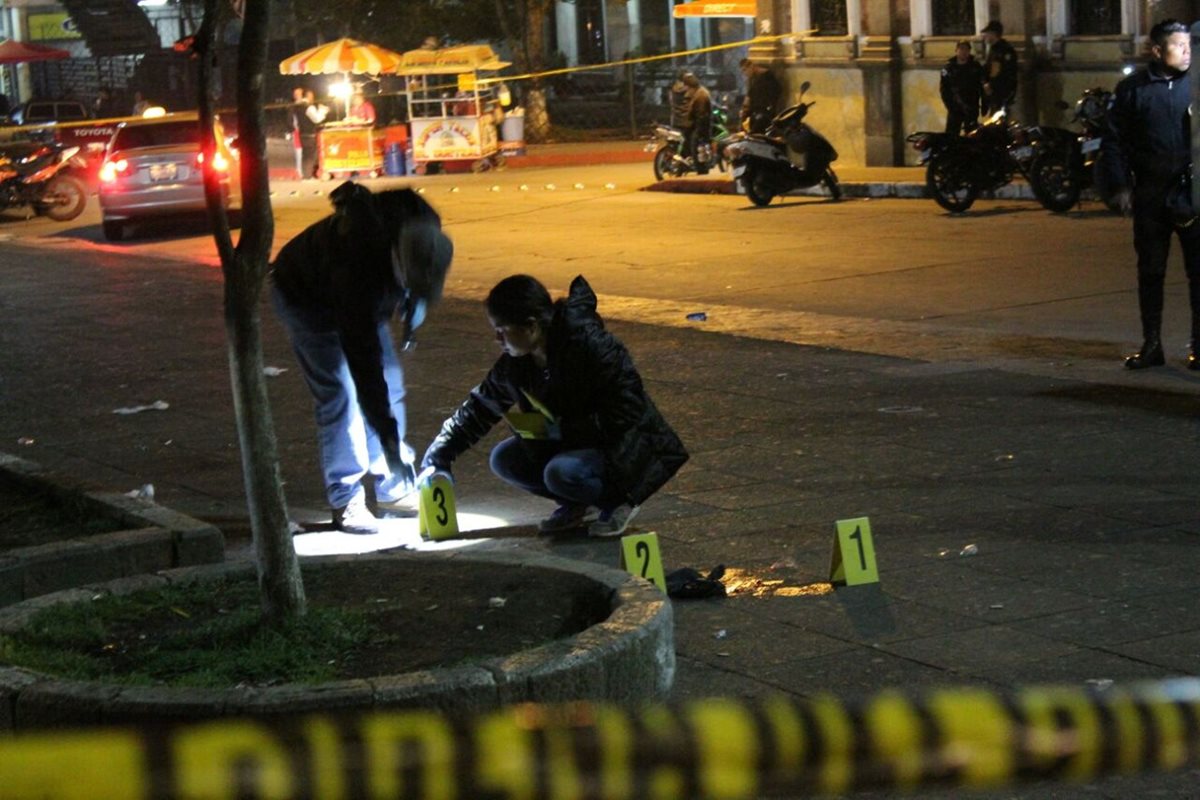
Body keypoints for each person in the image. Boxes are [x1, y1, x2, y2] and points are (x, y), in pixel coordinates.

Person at [420, 274, 689, 538]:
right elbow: (481, 405)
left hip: (625, 445)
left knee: (561, 473)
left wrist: (562, 431)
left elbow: (628, 410)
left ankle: (618, 501)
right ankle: (578, 505)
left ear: (531, 326)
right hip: (572, 439)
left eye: (502, 331)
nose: (498, 340)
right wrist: (440, 455)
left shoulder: (590, 345)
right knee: (504, 459)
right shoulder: (518, 361)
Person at [270, 182, 454, 533]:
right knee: (341, 396)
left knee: (394, 383)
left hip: (360, 291)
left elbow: (420, 273)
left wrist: (415, 305)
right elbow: (365, 370)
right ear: (396, 259)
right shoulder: (358, 273)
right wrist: (388, 440)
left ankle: (393, 487)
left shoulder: (424, 223)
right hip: (306, 296)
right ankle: (346, 497)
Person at [1101, 18, 1200, 371]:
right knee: (1151, 271)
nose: (1188, 51)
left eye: (1190, 44)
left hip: (1193, 194)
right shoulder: (1133, 90)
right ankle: (1152, 345)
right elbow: (1113, 142)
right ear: (1158, 50)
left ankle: (1198, 348)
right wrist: (1120, 186)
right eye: (1179, 45)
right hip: (1152, 196)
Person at [940, 40, 983, 135]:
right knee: (951, 136)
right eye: (961, 49)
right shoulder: (948, 68)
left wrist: (984, 105)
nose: (964, 52)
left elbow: (981, 86)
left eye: (966, 49)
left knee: (972, 135)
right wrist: (951, 106)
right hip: (955, 108)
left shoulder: (975, 67)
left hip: (971, 107)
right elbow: (944, 90)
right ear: (956, 50)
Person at [981, 20, 1017, 117]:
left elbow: (1007, 73)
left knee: (998, 122)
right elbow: (987, 69)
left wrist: (991, 85)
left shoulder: (1005, 50)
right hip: (993, 94)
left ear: (993, 34)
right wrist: (985, 82)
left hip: (1001, 93)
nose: (985, 37)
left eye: (987, 34)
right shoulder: (993, 49)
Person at [680, 72, 713, 175]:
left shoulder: (701, 95)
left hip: (701, 127)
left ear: (689, 85)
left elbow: (701, 116)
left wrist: (698, 131)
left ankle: (701, 170)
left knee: (696, 147)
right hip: (699, 125)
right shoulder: (698, 92)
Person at [739, 58, 782, 134]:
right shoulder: (754, 79)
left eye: (745, 70)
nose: (745, 74)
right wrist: (744, 109)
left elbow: (773, 97)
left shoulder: (767, 79)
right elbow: (749, 97)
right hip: (755, 113)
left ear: (751, 66)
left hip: (763, 114)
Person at [289, 87, 319, 180]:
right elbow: (317, 119)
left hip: (303, 133)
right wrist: (323, 111)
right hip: (306, 133)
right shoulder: (307, 106)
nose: (312, 98)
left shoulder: (299, 106)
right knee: (307, 155)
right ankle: (306, 175)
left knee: (305, 155)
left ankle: (305, 174)